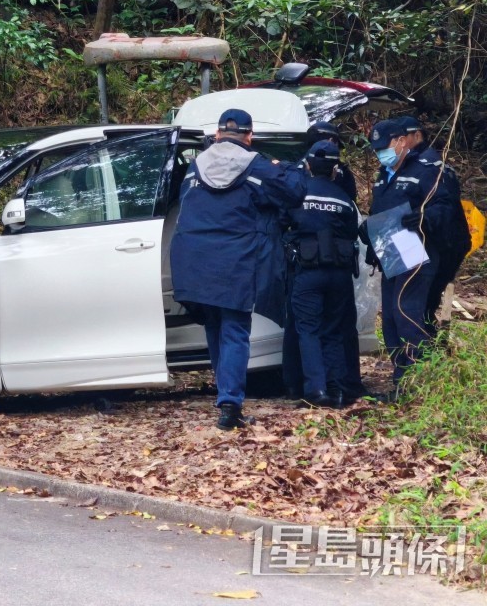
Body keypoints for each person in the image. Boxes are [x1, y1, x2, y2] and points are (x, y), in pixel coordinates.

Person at [171, 109, 306, 430]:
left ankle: (226, 397)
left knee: (215, 328)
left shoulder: (194, 167)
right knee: (234, 330)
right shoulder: (257, 167)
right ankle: (230, 404)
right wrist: (284, 165)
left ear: (217, 135)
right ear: (250, 136)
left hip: (193, 263)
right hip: (235, 263)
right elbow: (295, 192)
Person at [362, 118, 454, 398]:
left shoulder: (428, 170)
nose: (380, 153)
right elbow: (380, 209)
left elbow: (446, 209)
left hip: (417, 252)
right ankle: (401, 381)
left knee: (407, 315)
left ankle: (420, 385)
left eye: (384, 147)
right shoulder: (384, 173)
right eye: (376, 149)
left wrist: (424, 218)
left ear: (401, 141)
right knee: (390, 319)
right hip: (390, 253)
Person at [281, 121, 367, 401]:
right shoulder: (343, 197)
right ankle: (338, 389)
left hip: (306, 271)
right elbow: (353, 231)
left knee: (307, 330)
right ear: (334, 169)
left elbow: (283, 223)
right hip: (339, 273)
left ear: (307, 165)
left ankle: (315, 390)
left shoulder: (297, 193)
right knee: (333, 329)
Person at [394, 116, 470, 336]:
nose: (398, 144)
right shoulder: (412, 165)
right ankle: (428, 342)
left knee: (423, 300)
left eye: (402, 139)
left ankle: (426, 347)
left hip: (444, 243)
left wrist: (423, 218)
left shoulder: (432, 166)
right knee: (422, 301)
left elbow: (444, 207)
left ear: (417, 136)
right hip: (431, 241)